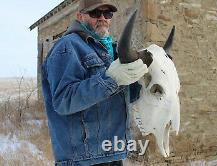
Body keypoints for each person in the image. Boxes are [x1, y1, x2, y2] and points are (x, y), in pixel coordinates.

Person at [41, 0, 148, 165]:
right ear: (79, 16)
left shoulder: (112, 50)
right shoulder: (67, 46)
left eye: (108, 14)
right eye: (95, 13)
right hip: (82, 159)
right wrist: (111, 79)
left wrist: (136, 80)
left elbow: (123, 99)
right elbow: (64, 101)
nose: (103, 18)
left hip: (113, 153)